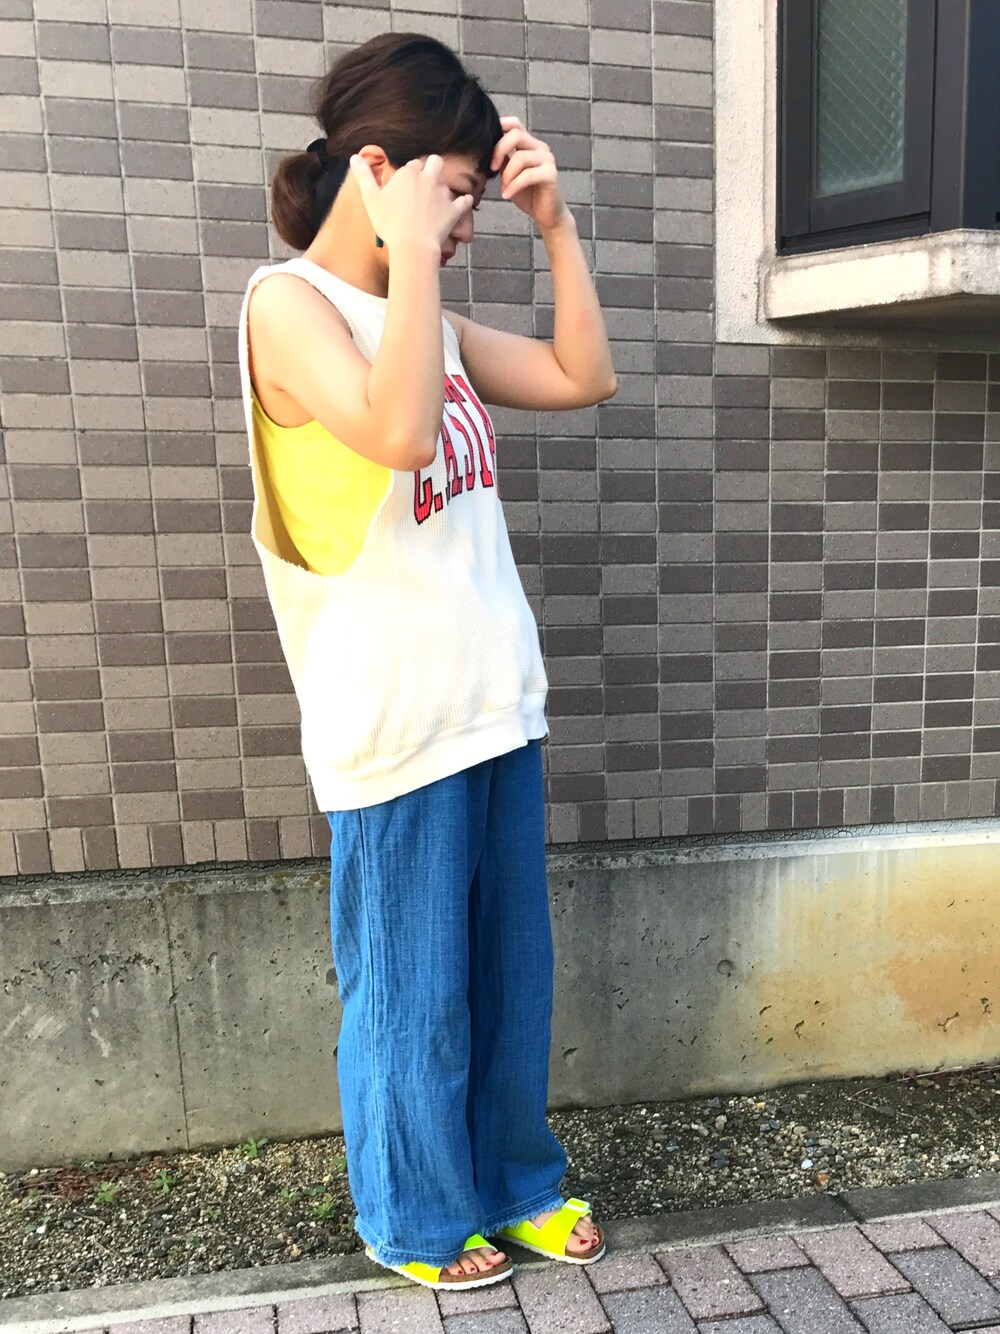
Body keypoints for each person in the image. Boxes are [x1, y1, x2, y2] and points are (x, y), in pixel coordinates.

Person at [237, 33, 616, 1291]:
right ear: (378, 169)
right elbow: (399, 434)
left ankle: (515, 1185)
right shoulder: (286, 307)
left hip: (493, 700)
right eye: (454, 191)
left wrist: (556, 229)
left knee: (508, 988)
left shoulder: (426, 320)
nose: (464, 221)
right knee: (412, 996)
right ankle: (411, 1213)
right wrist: (406, 263)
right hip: (392, 721)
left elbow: (581, 373)